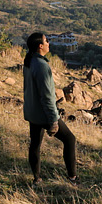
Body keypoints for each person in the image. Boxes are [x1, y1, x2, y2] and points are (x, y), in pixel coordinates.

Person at [22, 31, 78, 184]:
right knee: (70, 139)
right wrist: (53, 120)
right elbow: (47, 97)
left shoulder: (29, 61)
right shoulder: (41, 66)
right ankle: (72, 177)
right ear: (40, 46)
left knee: (35, 144)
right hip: (43, 114)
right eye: (46, 41)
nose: (49, 43)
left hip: (32, 112)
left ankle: (37, 178)